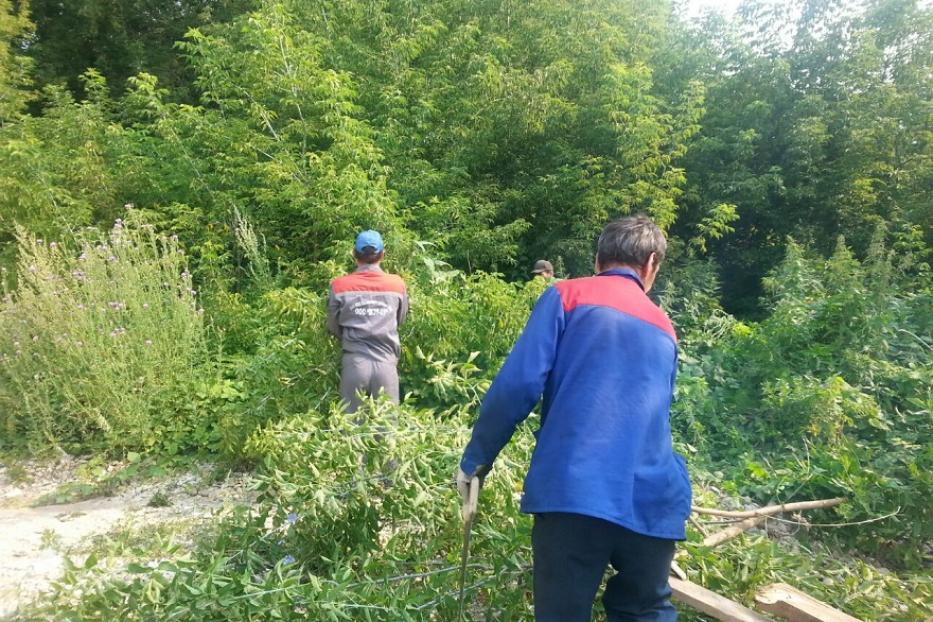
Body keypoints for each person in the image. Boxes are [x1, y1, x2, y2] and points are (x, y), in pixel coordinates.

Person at [456, 215, 690, 622]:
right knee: (646, 611)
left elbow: (518, 385)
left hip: (575, 490)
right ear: (652, 263)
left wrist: (477, 458)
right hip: (654, 502)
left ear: (598, 258)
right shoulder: (665, 327)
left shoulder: (567, 296)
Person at [327, 230, 409, 413]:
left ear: (355, 255)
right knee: (387, 429)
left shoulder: (339, 285)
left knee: (351, 431)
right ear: (383, 255)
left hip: (354, 363)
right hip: (387, 363)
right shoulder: (397, 284)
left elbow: (333, 325)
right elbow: (400, 319)